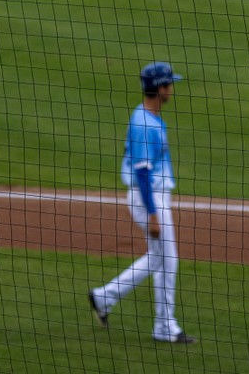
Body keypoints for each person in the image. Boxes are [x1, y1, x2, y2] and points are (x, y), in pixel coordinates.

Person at [89, 62, 197, 345]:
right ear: (160, 88)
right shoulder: (144, 124)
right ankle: (164, 326)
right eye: (169, 84)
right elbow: (142, 172)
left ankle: (104, 296)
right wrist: (152, 214)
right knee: (167, 260)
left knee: (159, 258)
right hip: (147, 197)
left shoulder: (148, 117)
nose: (172, 89)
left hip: (152, 196)